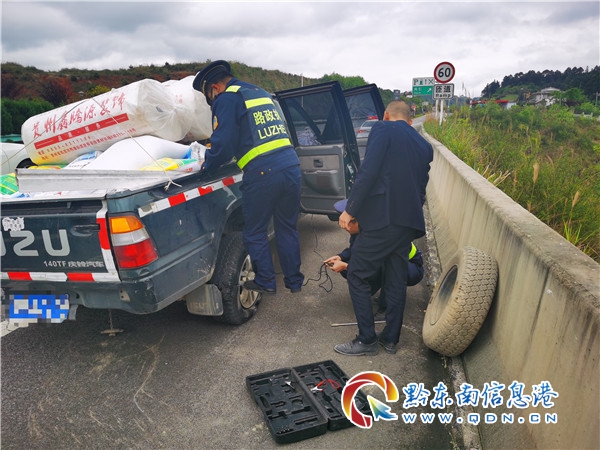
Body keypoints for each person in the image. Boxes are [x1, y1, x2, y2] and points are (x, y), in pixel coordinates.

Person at [193, 60, 304, 294]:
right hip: (291, 166)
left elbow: (223, 145)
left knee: (255, 231)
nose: (213, 101)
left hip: (263, 173)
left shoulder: (227, 98)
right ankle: (294, 280)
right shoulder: (259, 92)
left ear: (214, 88)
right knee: (287, 228)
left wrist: (206, 165)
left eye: (210, 97)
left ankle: (266, 281)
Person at [335, 100, 433, 356]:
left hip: (382, 220)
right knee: (395, 279)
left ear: (386, 115)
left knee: (357, 275)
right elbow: (421, 189)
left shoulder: (381, 128)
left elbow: (368, 171)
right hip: (408, 223)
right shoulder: (424, 145)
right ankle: (390, 339)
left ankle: (366, 340)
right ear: (409, 120)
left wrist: (350, 209)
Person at [323, 199, 424, 321]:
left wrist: (345, 266)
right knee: (351, 269)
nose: (342, 225)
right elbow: (355, 250)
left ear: (358, 221)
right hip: (385, 264)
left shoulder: (381, 236)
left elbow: (372, 267)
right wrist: (341, 257)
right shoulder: (363, 230)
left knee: (386, 269)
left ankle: (388, 308)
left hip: (411, 268)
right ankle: (381, 293)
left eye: (345, 221)